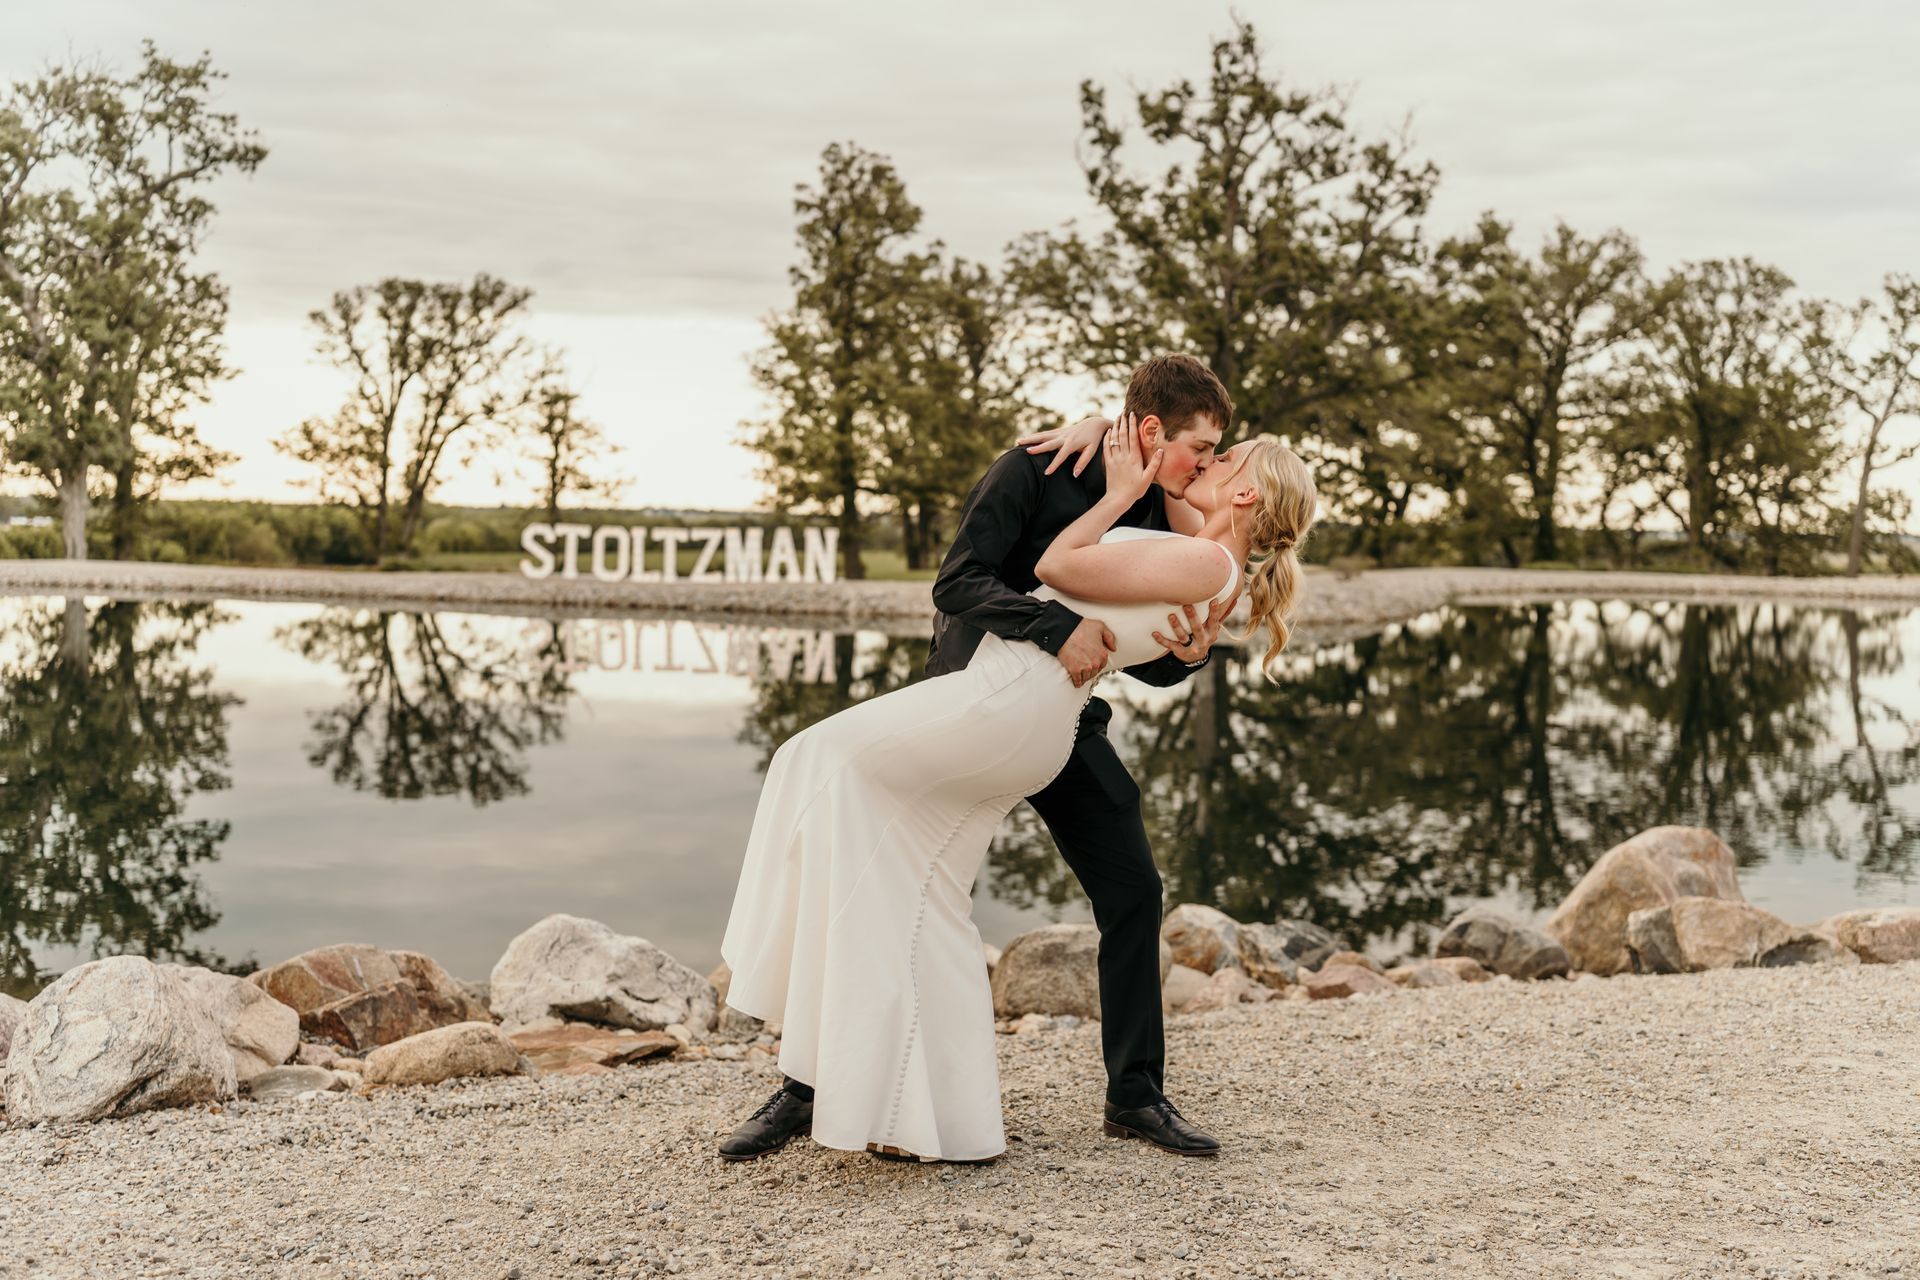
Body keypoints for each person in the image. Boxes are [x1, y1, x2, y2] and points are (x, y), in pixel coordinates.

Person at [716, 355, 1317, 1163]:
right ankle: (811, 1086)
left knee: (1134, 887)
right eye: (1200, 448)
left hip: (1061, 722)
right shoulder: (1035, 468)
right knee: (902, 884)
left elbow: (1153, 646)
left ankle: (1135, 1096)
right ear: (1148, 430)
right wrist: (1052, 629)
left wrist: (1196, 648)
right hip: (972, 695)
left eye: (1218, 455)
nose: (1205, 464)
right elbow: (957, 584)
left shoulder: (1172, 506)